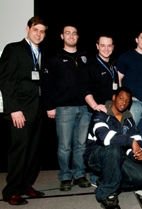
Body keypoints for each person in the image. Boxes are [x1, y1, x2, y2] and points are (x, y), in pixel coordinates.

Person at [0, 16, 47, 205]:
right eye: (36, 29)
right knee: (19, 151)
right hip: (20, 111)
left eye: (43, 31)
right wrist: (14, 109)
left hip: (36, 110)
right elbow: (6, 81)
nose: (39, 34)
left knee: (33, 151)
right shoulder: (14, 49)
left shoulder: (40, 51)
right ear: (27, 29)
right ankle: (11, 191)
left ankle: (25, 185)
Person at [42, 23, 91, 191]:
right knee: (64, 146)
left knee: (81, 145)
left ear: (77, 36)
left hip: (84, 108)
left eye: (74, 33)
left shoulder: (85, 57)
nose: (71, 36)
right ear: (62, 36)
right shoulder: (54, 58)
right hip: (63, 108)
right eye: (67, 33)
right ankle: (65, 176)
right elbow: (46, 85)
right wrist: (49, 106)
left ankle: (79, 174)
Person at [83, 87, 142, 209]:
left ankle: (106, 180)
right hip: (96, 157)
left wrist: (138, 153)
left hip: (117, 157)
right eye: (121, 98)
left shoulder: (128, 119)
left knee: (141, 177)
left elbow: (137, 139)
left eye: (127, 100)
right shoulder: (100, 113)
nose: (124, 102)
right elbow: (103, 137)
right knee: (114, 147)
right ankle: (107, 194)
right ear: (114, 98)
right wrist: (130, 141)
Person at [83, 33, 118, 187]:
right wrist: (94, 105)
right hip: (96, 113)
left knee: (108, 144)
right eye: (102, 45)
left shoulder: (113, 66)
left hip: (111, 112)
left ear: (113, 47)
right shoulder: (91, 66)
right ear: (97, 46)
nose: (106, 48)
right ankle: (94, 177)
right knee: (96, 145)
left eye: (109, 45)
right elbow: (85, 89)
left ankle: (106, 174)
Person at [117, 29, 142, 125]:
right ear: (136, 40)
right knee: (129, 133)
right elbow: (119, 79)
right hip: (132, 103)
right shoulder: (126, 57)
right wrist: (122, 101)